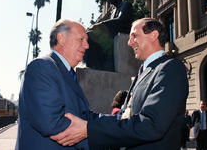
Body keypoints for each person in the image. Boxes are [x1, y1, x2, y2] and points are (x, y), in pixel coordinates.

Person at [51, 18, 189, 149]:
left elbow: (150, 125)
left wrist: (88, 130)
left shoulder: (170, 68)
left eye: (134, 36)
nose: (129, 42)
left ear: (154, 35)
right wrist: (85, 118)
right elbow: (124, 117)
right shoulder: (144, 71)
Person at [16, 19, 92, 149]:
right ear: (61, 38)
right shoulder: (41, 67)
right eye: (81, 39)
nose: (87, 45)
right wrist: (95, 133)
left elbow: (84, 115)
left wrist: (118, 122)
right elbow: (52, 123)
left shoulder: (66, 73)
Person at [84, 0, 133, 71]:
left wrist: (100, 24)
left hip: (123, 31)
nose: (109, 0)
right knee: (89, 35)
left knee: (94, 37)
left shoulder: (126, 4)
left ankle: (102, 65)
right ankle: (94, 65)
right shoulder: (113, 11)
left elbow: (121, 20)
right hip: (112, 33)